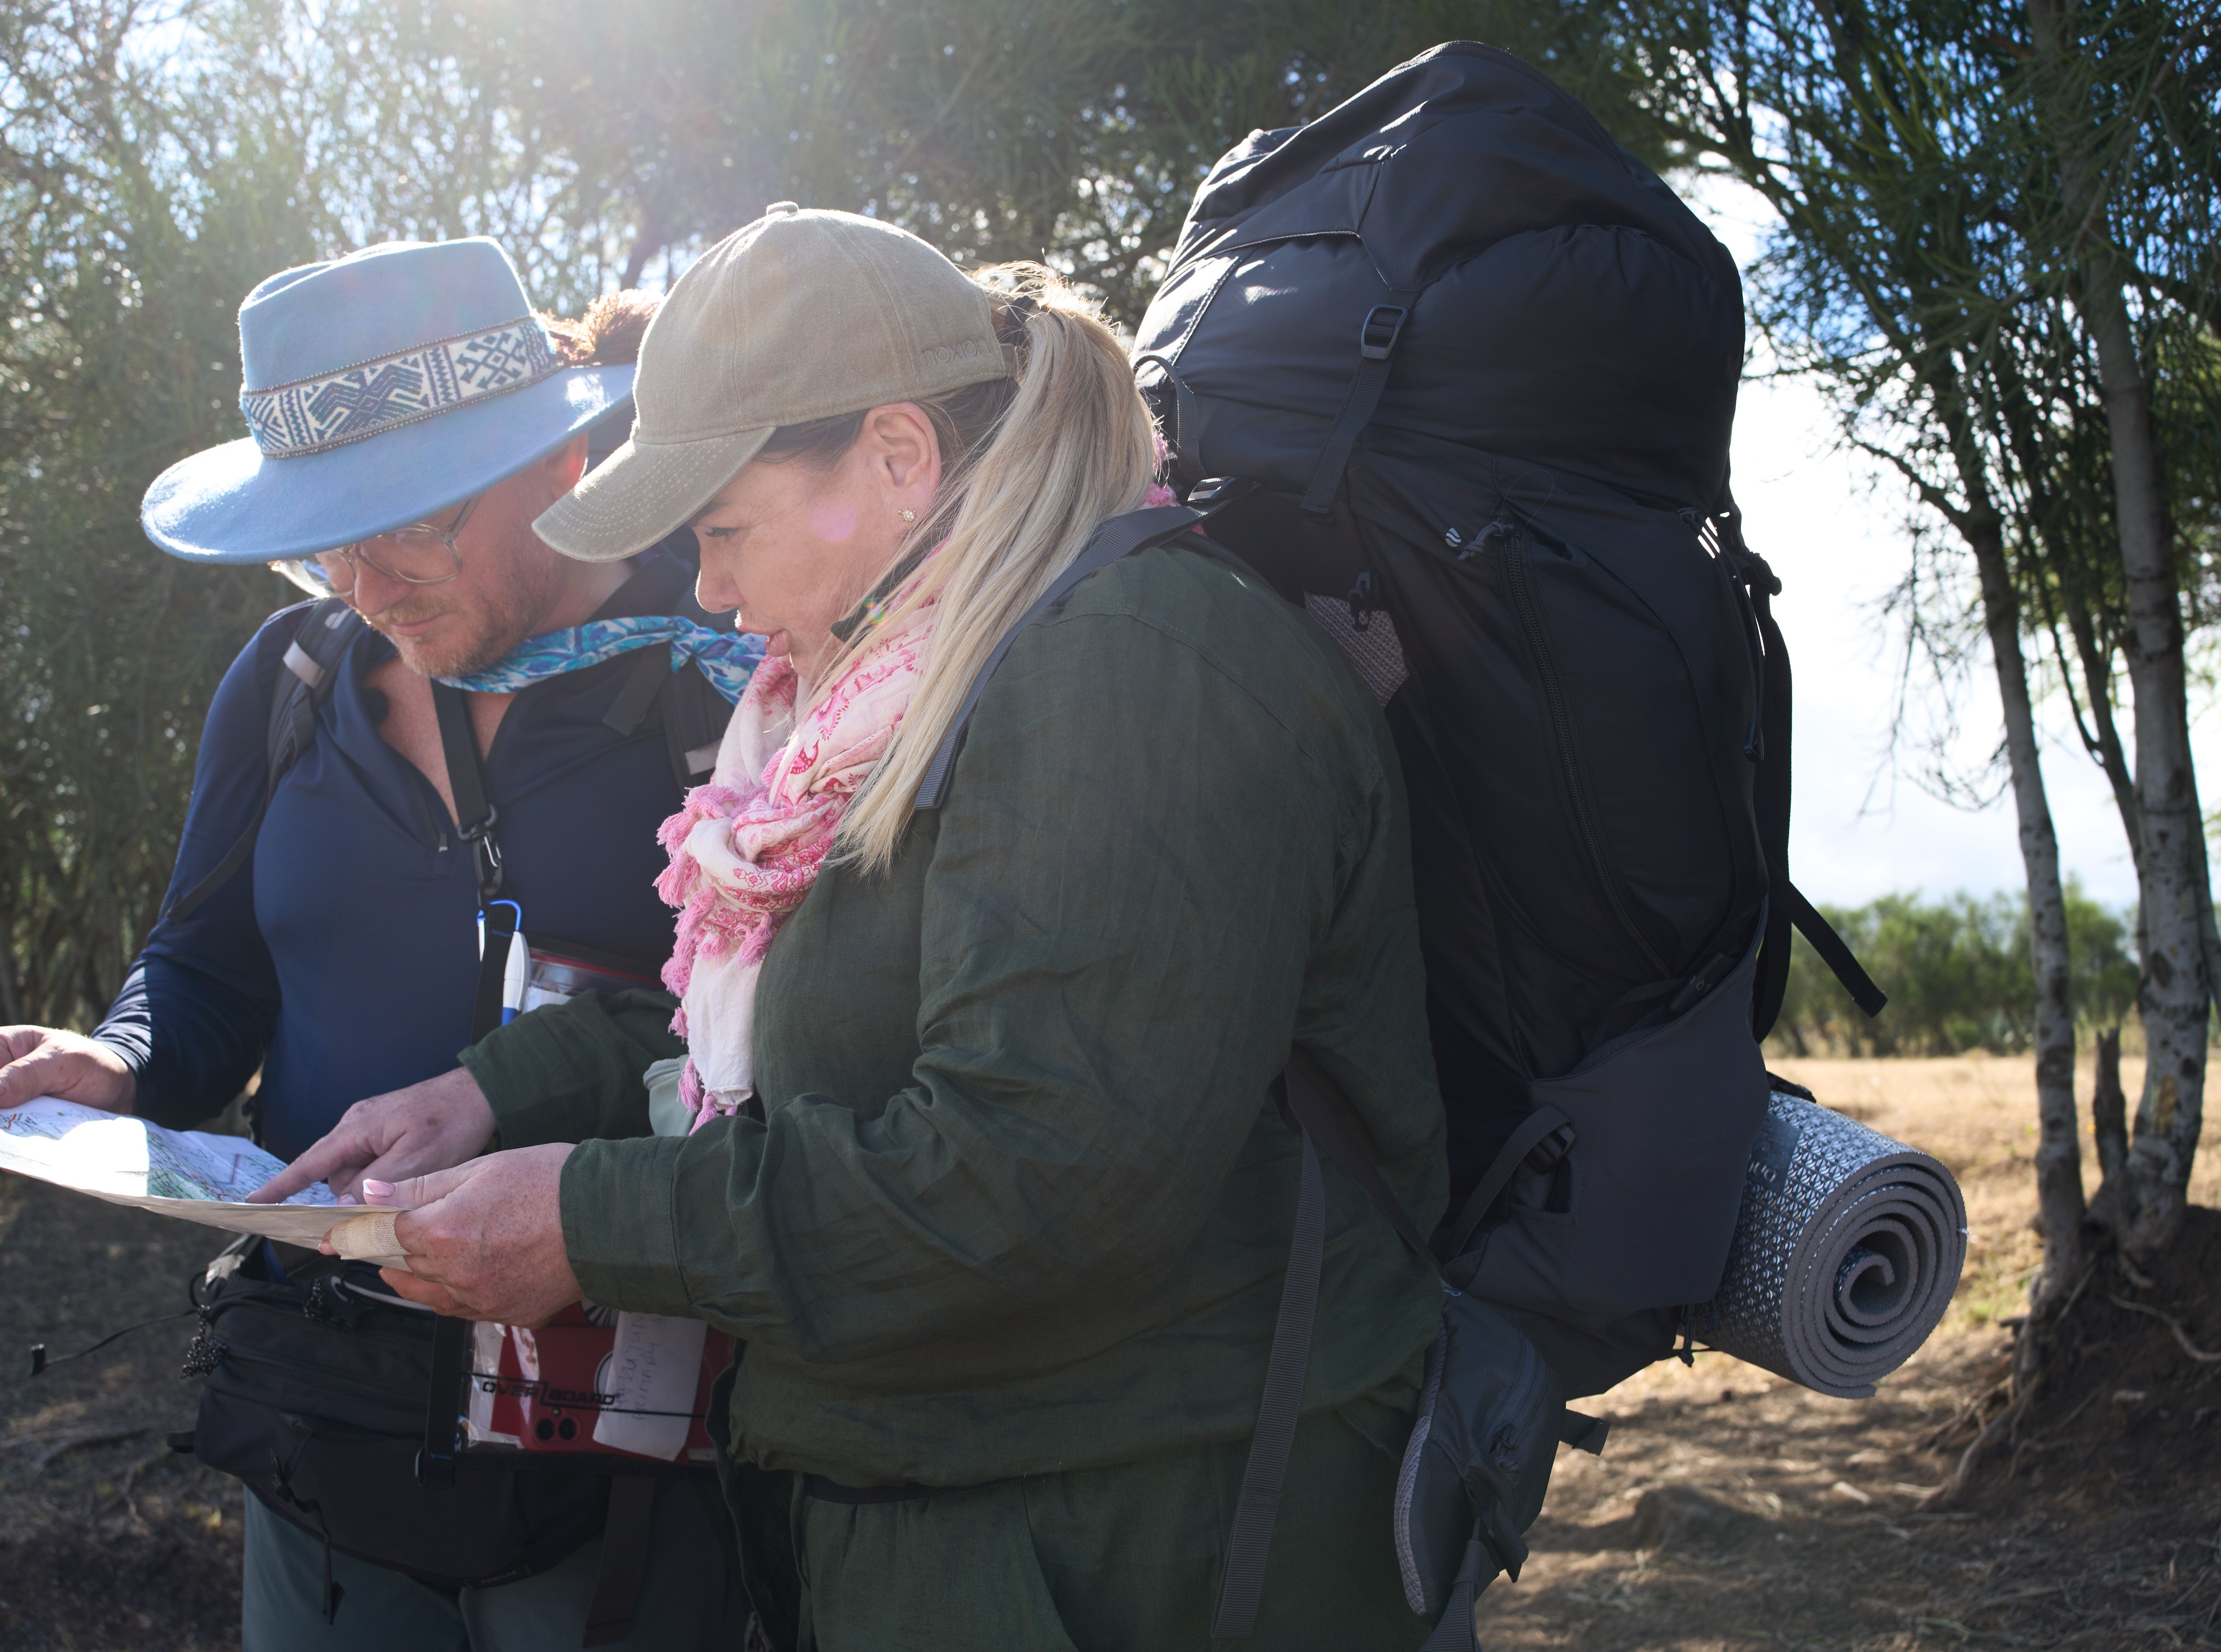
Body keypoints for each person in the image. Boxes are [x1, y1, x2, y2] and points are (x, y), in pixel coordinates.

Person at [271, 206, 1450, 1649]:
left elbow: (1029, 1176)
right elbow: (821, 1037)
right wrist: (490, 1097)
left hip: (1140, 1544)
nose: (703, 592)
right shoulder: (897, 695)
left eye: (724, 533)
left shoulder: (1132, 672)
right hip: (960, 1512)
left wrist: (592, 1219)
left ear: (899, 458)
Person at [0, 237, 750, 1650]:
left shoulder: (720, 676)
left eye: (418, 523)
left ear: (558, 464)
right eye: (329, 532)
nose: (369, 583)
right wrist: (119, 1059)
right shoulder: (292, 679)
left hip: (618, 1426)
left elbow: (789, 1048)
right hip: (330, 1409)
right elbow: (202, 971)